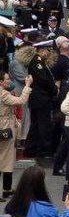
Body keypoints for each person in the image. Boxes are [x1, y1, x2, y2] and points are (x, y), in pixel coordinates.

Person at [0, 67, 32, 198]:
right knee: (6, 159)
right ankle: (6, 190)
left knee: (6, 157)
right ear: (1, 82)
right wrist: (27, 85)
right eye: (7, 79)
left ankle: (7, 189)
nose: (9, 81)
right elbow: (21, 101)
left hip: (4, 124)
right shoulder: (3, 94)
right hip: (5, 127)